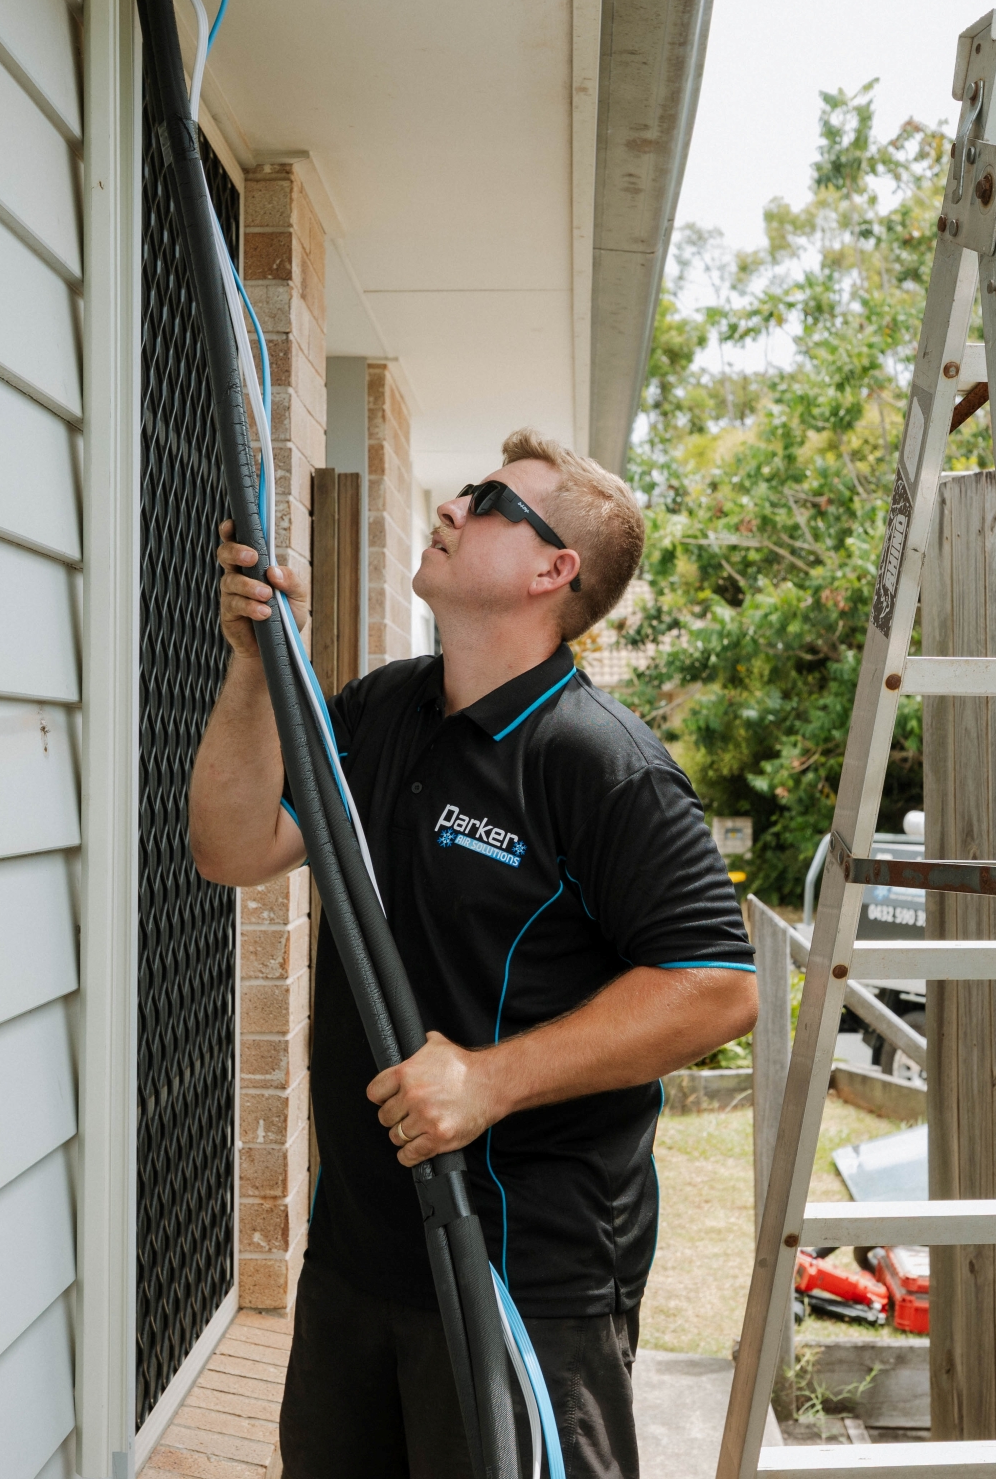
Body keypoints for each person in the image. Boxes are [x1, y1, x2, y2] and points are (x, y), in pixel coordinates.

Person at [190, 428, 758, 1477]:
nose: (452, 505)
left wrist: (490, 1079)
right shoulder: (383, 707)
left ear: (554, 570)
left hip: (521, 1277)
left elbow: (718, 986)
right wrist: (253, 672)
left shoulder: (599, 764)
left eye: (491, 499)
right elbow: (231, 848)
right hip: (358, 1255)